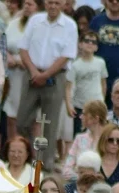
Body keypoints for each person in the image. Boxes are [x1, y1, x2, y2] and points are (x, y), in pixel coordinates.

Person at [17, 0, 78, 170]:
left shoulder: (69, 26)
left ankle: (46, 164)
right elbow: (23, 48)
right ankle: (30, 156)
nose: (53, 6)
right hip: (31, 73)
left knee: (50, 124)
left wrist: (45, 75)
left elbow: (66, 56)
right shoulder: (35, 20)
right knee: (22, 121)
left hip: (55, 77)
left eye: (57, 3)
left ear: (63, 4)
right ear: (45, 3)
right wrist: (34, 72)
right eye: (50, 2)